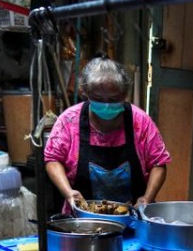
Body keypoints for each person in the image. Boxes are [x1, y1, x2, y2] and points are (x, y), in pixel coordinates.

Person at [44, 57, 170, 212]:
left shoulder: (140, 121)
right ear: (87, 94)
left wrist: (147, 199)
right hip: (82, 219)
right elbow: (53, 159)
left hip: (135, 216)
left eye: (113, 99)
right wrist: (69, 193)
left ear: (124, 95)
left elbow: (159, 163)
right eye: (98, 99)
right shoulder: (69, 120)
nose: (106, 105)